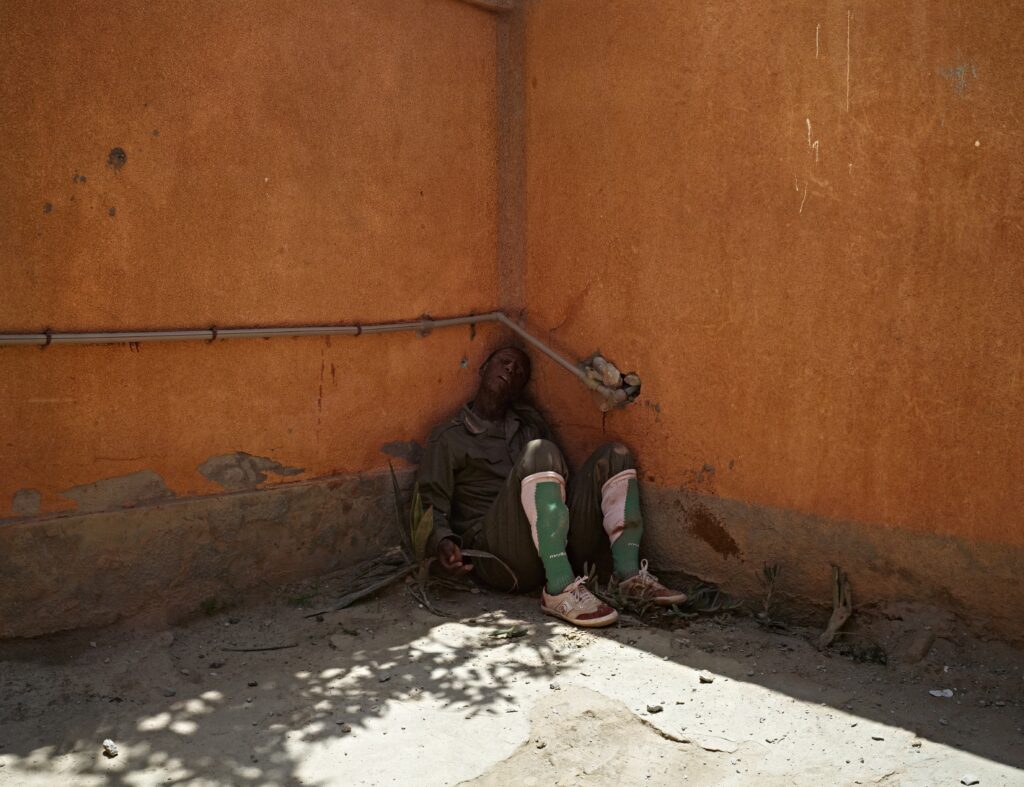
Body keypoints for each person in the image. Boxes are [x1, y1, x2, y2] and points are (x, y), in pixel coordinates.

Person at [416, 346, 686, 628]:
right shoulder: (450, 437)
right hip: (501, 558)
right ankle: (559, 590)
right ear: (484, 369)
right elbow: (430, 502)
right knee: (540, 451)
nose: (511, 369)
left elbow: (556, 484)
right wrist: (443, 543)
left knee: (615, 456)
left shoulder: (529, 426)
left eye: (520, 371)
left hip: (552, 543)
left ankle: (627, 576)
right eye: (504, 362)